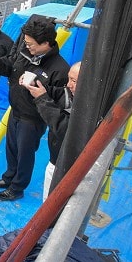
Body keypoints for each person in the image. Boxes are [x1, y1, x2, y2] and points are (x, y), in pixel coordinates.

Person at [0, 17, 70, 201]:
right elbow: (8, 68)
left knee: (25, 154)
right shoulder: (24, 52)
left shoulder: (59, 69)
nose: (27, 46)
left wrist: (41, 92)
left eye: (31, 44)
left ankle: (17, 188)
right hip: (16, 110)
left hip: (33, 119)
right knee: (11, 149)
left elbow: (59, 102)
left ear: (46, 43)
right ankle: (8, 178)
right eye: (26, 42)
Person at [23, 61, 81, 201]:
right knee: (48, 200)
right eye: (68, 79)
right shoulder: (70, 92)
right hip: (55, 159)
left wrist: (42, 98)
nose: (68, 84)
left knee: (56, 204)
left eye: (73, 81)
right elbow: (55, 91)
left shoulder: (88, 109)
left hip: (70, 167)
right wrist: (35, 83)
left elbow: (63, 129)